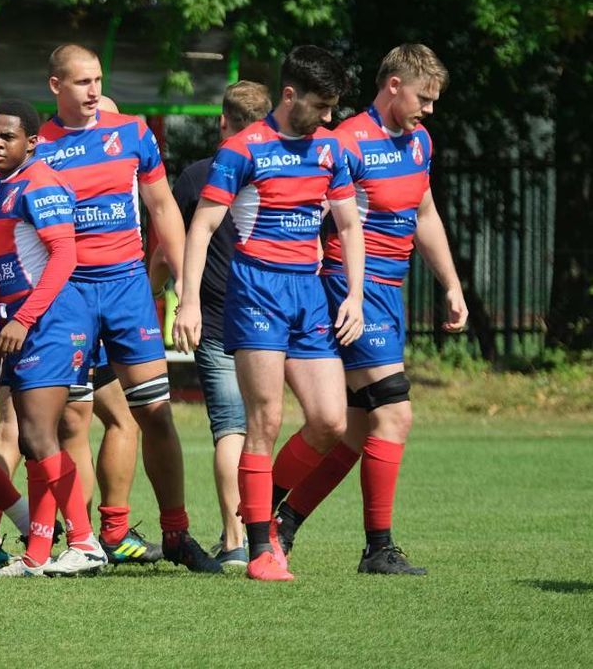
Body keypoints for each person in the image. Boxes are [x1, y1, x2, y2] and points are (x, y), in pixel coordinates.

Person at [174, 45, 366, 581]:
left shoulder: (330, 150)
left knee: (330, 420)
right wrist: (188, 301)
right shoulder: (245, 149)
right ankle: (261, 550)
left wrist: (352, 295)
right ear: (289, 95)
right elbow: (203, 226)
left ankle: (265, 509)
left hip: (310, 295)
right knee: (265, 420)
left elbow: (349, 226)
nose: (329, 117)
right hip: (255, 292)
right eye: (321, 105)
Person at [276, 44, 467, 574]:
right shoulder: (346, 142)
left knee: (355, 432)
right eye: (423, 98)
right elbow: (308, 210)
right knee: (395, 412)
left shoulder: (419, 142)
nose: (429, 110)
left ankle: (279, 523)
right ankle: (377, 547)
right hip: (349, 289)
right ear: (393, 86)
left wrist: (450, 281)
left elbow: (423, 212)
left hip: (391, 290)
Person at [36, 44, 218, 572]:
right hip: (66, 295)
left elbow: (162, 207)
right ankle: (84, 538)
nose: (93, 91)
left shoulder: (133, 133)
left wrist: (185, 288)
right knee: (72, 420)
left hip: (126, 289)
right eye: (81, 82)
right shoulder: (38, 148)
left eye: (98, 80)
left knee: (154, 412)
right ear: (55, 86)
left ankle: (177, 534)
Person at [0, 99, 107, 577]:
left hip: (52, 320)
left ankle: (86, 542)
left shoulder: (42, 182)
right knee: (33, 441)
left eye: (7, 136)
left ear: (32, 141)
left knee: (37, 434)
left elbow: (64, 258)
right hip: (21, 321)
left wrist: (23, 320)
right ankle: (36, 554)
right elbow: (0, 273)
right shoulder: (0, 191)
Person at [153, 81, 272, 569]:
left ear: (223, 121)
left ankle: (234, 536)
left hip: (215, 316)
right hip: (268, 317)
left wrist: (151, 291)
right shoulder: (280, 173)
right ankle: (265, 529)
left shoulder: (199, 175)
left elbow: (167, 248)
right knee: (261, 427)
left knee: (229, 428)